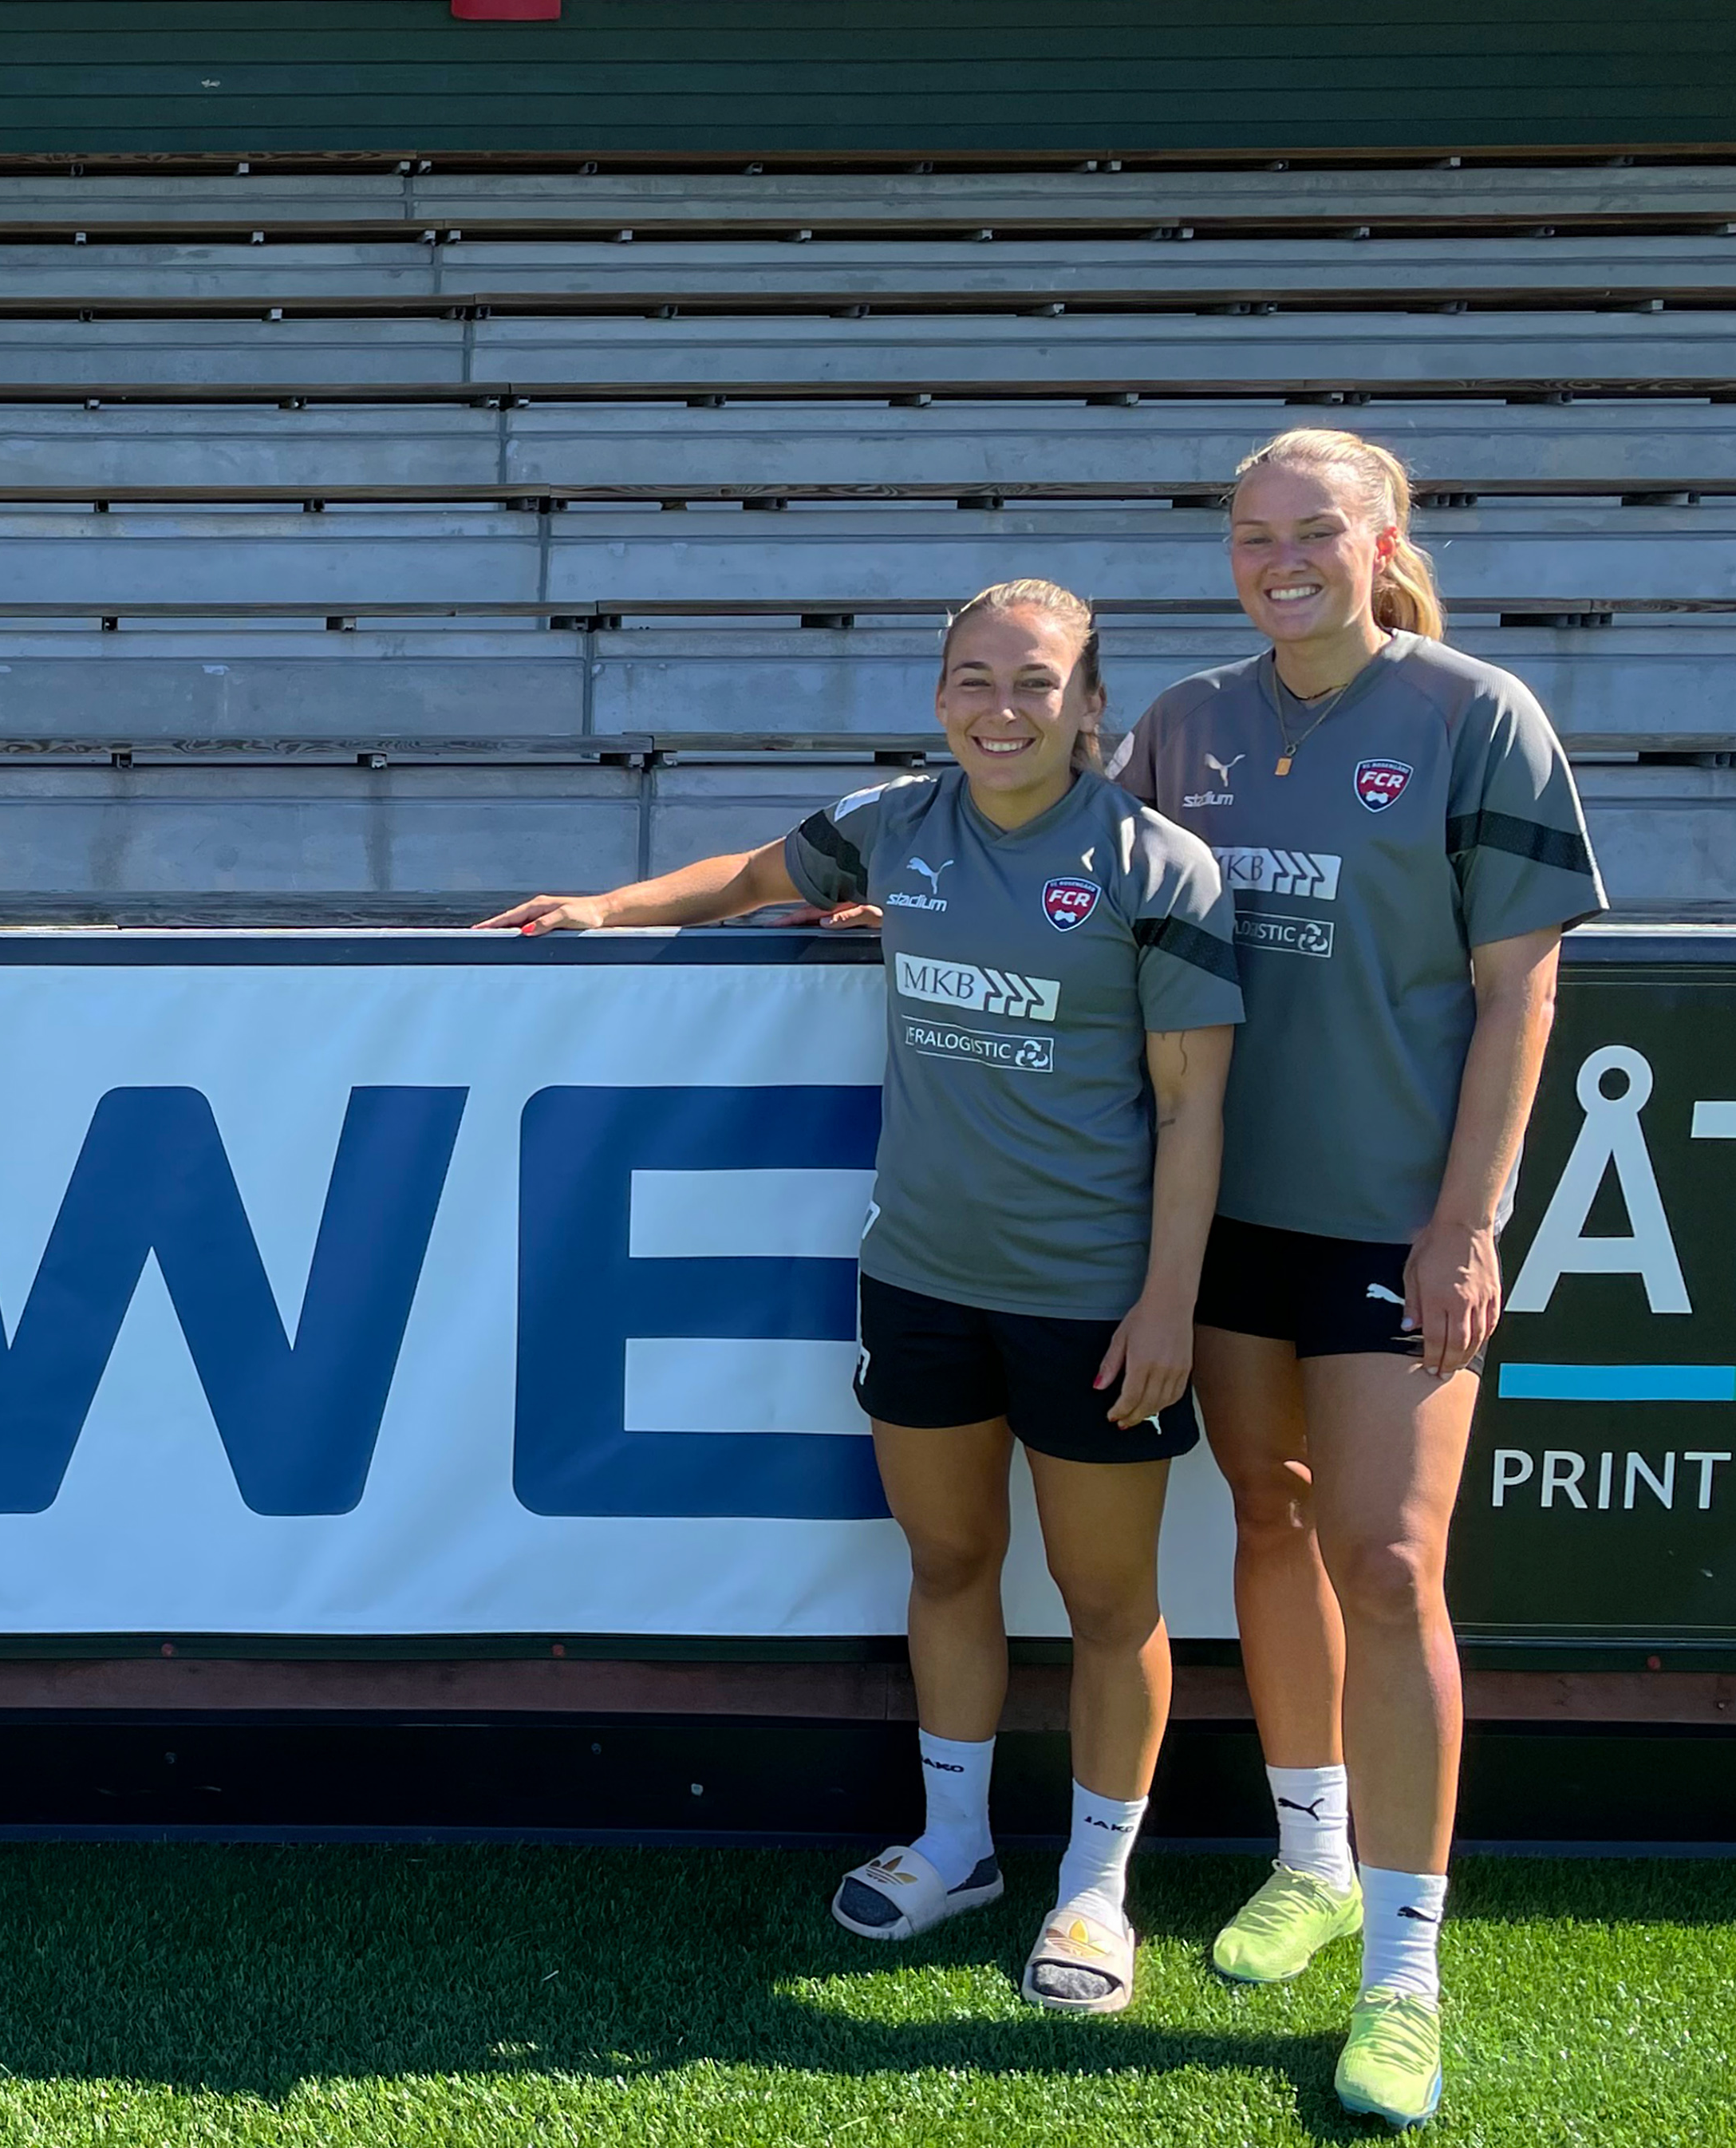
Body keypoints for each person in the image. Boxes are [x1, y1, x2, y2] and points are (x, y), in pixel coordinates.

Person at [481, 579, 1241, 2016]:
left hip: (1093, 1299)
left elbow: (1195, 1111)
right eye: (972, 680)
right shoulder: (901, 822)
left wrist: (1168, 1305)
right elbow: (755, 874)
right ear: (940, 697)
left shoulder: (1155, 867)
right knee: (949, 1567)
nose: (1001, 709)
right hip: (921, 1280)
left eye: (1035, 683)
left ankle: (1094, 1887)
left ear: (1092, 708)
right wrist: (607, 904)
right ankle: (955, 1847)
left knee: (1103, 1601)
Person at [1111, 428, 1601, 2129]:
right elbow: (1073, 892)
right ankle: (1306, 1856)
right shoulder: (1181, 724)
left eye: (1309, 529)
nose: (1276, 558)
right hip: (1223, 1212)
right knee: (1265, 1511)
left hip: (1394, 1223)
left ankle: (1404, 1967)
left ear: (1380, 535)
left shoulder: (1473, 714)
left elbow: (1515, 996)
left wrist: (1463, 1224)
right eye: (1248, 533)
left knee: (1386, 1560)